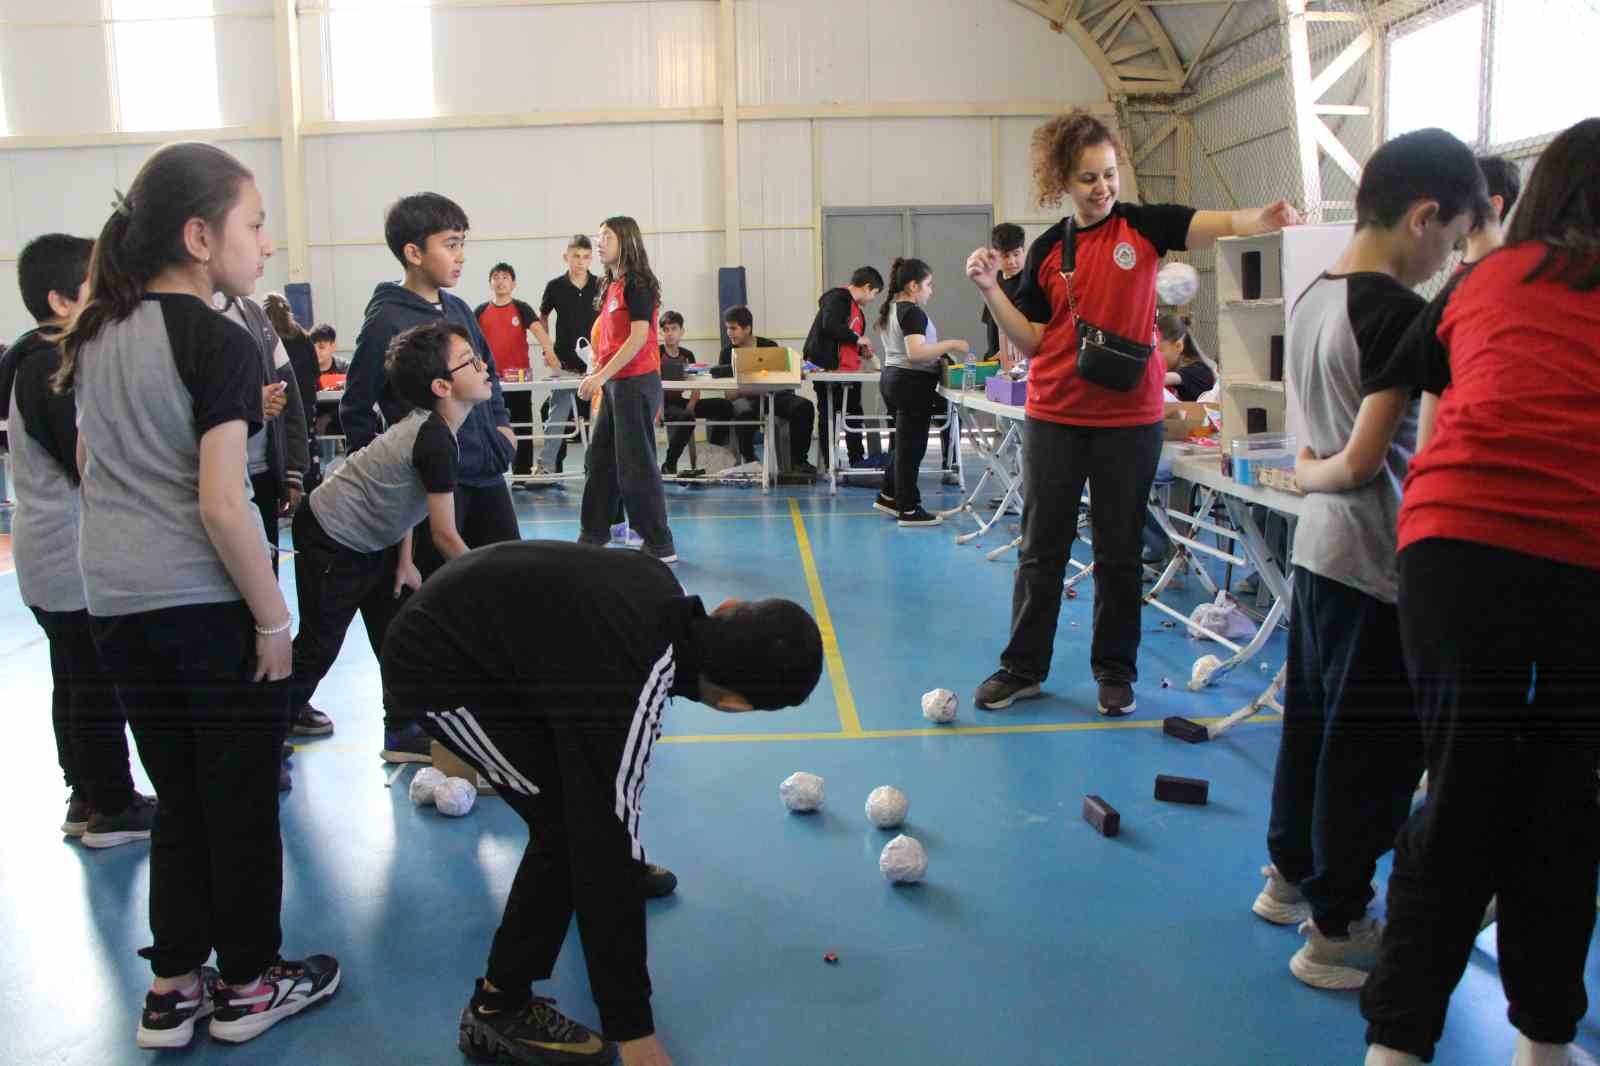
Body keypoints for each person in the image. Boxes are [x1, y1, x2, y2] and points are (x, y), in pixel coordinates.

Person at [60, 141, 339, 1051]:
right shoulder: (216, 338)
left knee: (179, 796)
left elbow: (92, 468)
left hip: (117, 606)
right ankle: (252, 982)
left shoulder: (97, 333)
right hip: (202, 607)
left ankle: (174, 986)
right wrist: (273, 617)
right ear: (197, 236)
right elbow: (223, 501)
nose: (263, 243)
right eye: (253, 225)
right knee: (242, 798)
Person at [381, 540, 823, 1066]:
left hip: (492, 633)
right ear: (733, 704)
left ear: (727, 608)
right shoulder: (625, 682)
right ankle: (497, 1009)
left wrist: (614, 859)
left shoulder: (661, 588)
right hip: (438, 667)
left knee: (592, 826)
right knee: (567, 833)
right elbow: (602, 828)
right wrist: (632, 1029)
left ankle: (601, 882)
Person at [1358, 119, 1600, 1066]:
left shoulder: (1483, 278)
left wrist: (1340, 462)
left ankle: (1397, 1046)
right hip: (1576, 553)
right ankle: (1542, 1039)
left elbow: (1402, 368)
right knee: (1563, 798)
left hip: (1452, 553)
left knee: (1460, 788)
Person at [1252, 129, 1489, 995]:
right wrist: (1312, 474)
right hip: (1376, 560)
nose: (1446, 258)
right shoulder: (1396, 314)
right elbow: (1357, 459)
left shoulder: (1314, 294)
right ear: (1424, 217)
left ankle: (1288, 877)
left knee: (1311, 730)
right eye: (1453, 236)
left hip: (1319, 556)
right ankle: (1340, 926)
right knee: (1371, 758)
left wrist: (1305, 475)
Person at [967, 108, 1300, 716]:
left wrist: (1266, 218)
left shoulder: (1143, 228)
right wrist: (991, 291)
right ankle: (1022, 667)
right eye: (1089, 178)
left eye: (1110, 174)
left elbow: (1215, 222)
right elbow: (1036, 339)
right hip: (1056, 416)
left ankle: (1115, 671)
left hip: (1130, 422)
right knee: (1041, 548)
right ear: (1062, 183)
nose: (1103, 188)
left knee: (1119, 551)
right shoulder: (1048, 248)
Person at [340, 193, 521, 759]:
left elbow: (487, 371)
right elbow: (355, 407)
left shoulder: (461, 309)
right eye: (450, 244)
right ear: (413, 252)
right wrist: (386, 478)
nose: (461, 255)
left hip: (484, 476)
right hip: (431, 487)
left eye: (464, 242)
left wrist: (503, 428)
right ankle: (405, 722)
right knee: (418, 599)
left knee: (505, 579)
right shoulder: (385, 321)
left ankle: (490, 702)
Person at [1, 233, 152, 847]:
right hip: (68, 551)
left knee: (75, 676)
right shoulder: (48, 368)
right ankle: (113, 805)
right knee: (94, 681)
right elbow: (89, 462)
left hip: (48, 549)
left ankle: (86, 793)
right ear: (63, 301)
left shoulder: (28, 357)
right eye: (98, 285)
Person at [288, 322, 484, 761]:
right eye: (470, 361)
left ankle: (400, 731)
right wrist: (486, 583)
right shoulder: (433, 437)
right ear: (441, 385)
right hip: (331, 535)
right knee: (320, 643)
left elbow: (398, 498)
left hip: (376, 539)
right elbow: (447, 535)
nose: (483, 366)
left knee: (395, 634)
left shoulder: (438, 431)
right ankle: (268, 731)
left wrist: (404, 560)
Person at [576, 216, 676, 564]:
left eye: (606, 237)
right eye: (598, 236)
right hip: (617, 383)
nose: (599, 242)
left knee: (636, 466)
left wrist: (600, 376)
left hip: (635, 383)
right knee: (599, 461)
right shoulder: (611, 286)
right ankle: (593, 534)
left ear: (626, 241)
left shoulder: (638, 285)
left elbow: (638, 338)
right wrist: (599, 370)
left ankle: (660, 545)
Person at [870, 258, 969, 527]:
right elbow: (915, 353)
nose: (931, 290)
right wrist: (951, 344)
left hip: (893, 379)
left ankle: (890, 495)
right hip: (910, 384)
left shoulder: (891, 308)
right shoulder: (912, 312)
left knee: (902, 444)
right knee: (911, 448)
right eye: (928, 284)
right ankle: (910, 509)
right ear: (913, 286)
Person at [222, 291, 309, 579]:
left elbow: (291, 397)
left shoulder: (255, 315)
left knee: (266, 572)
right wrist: (249, 401)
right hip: (215, 480)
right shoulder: (190, 315)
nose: (266, 248)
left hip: (261, 475)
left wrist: (293, 469)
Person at [532, 236, 602, 477]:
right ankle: (546, 467)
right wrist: (547, 349)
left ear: (591, 258)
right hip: (563, 363)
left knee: (598, 418)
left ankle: (596, 467)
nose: (580, 262)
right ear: (566, 257)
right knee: (556, 416)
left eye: (585, 257)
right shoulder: (555, 286)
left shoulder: (602, 284)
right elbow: (542, 316)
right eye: (576, 256)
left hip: (597, 364)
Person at [803, 267, 883, 471]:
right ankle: (830, 462)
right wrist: (857, 339)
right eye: (874, 294)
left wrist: (860, 350)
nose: (873, 299)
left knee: (854, 413)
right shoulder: (838, 298)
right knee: (829, 413)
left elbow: (846, 341)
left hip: (849, 370)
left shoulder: (859, 313)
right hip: (828, 368)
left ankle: (857, 458)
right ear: (867, 288)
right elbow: (830, 325)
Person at [720, 306, 816, 474]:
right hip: (747, 399)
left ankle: (798, 461)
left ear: (747, 328)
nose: (729, 332)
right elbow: (729, 394)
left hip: (774, 396)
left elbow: (781, 380)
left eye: (733, 328)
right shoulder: (727, 353)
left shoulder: (769, 346)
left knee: (804, 407)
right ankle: (750, 461)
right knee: (742, 411)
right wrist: (756, 389)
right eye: (727, 328)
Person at [474, 262, 540, 478]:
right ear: (490, 283)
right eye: (496, 277)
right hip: (490, 380)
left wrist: (550, 353)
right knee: (490, 425)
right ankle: (493, 469)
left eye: (505, 277)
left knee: (522, 424)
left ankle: (522, 472)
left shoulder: (521, 308)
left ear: (513, 283)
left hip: (520, 379)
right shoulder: (481, 311)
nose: (500, 281)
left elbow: (538, 331)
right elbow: (468, 339)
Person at [658, 310, 733, 476]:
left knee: (724, 406)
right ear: (661, 332)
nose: (669, 333)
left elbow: (696, 382)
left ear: (681, 332)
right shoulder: (656, 353)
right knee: (687, 417)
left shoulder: (687, 354)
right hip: (663, 405)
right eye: (666, 329)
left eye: (674, 329)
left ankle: (712, 450)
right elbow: (651, 385)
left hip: (682, 403)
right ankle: (669, 463)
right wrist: (657, 412)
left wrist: (692, 403)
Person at [263, 293, 322, 487]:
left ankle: (283, 488)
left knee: (280, 448)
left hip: (278, 405)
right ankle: (308, 484)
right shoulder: (304, 338)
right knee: (305, 445)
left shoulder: (268, 340)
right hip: (304, 405)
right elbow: (315, 372)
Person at [982, 223, 1027, 369]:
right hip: (995, 361)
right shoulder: (993, 280)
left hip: (1021, 363)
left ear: (1024, 251)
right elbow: (991, 323)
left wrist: (1010, 350)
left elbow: (1033, 329)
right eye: (1005, 256)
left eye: (1016, 254)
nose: (1012, 261)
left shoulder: (1030, 283)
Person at [1156, 313, 1215, 401]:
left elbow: (1163, 378)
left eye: (1159, 351)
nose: (1154, 357)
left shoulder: (1200, 371)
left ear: (1179, 346)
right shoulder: (1175, 368)